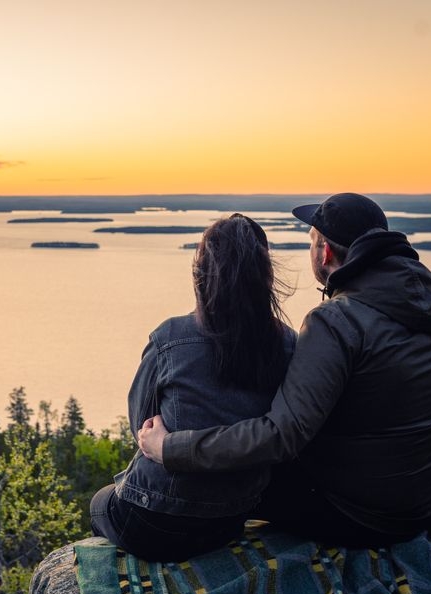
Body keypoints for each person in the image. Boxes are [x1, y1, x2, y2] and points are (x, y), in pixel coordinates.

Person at [139, 193, 431, 548]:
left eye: (311, 241)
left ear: (325, 252)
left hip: (365, 515)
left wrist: (171, 448)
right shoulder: (428, 310)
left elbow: (280, 436)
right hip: (429, 501)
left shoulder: (337, 321)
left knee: (238, 482)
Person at [90, 214, 297, 561]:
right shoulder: (288, 343)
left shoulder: (170, 336)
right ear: (265, 277)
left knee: (99, 502)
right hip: (228, 521)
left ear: (201, 274)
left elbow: (141, 425)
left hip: (152, 519)